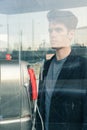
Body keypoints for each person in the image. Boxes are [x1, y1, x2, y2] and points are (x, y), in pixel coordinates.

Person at [36, 9, 87, 130]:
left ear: (71, 34)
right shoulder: (46, 66)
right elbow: (41, 106)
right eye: (50, 30)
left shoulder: (83, 66)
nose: (53, 34)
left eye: (58, 30)